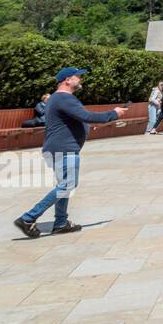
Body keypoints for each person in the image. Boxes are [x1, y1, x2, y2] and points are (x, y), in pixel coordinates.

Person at [13, 68, 128, 238]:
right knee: (67, 185)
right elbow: (87, 116)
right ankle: (29, 218)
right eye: (77, 76)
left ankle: (60, 223)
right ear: (67, 80)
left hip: (58, 148)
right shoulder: (64, 98)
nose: (80, 79)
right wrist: (114, 113)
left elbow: (76, 121)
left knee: (64, 186)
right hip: (64, 149)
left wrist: (90, 126)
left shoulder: (58, 98)